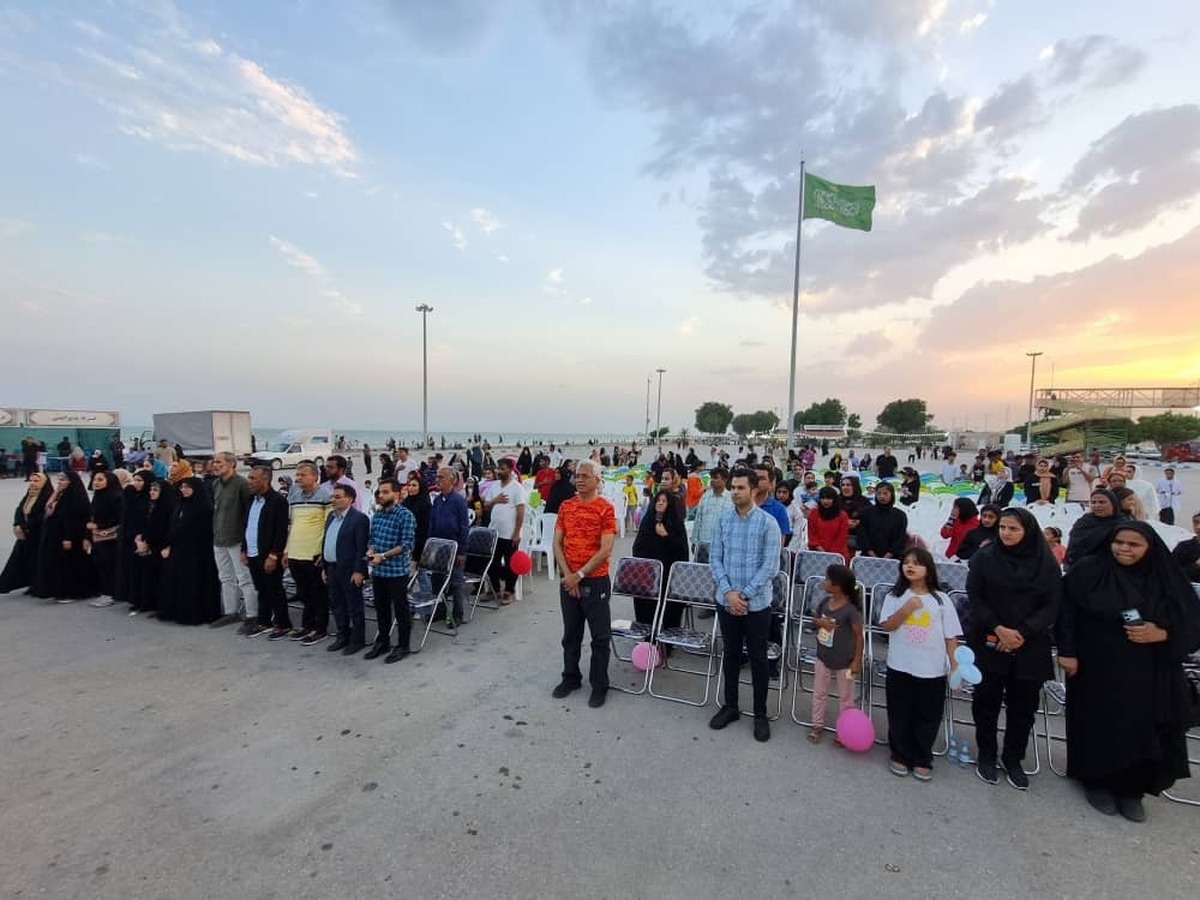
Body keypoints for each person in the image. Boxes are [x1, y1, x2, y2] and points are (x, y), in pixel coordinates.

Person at [1057, 522, 1200, 821]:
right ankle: (1096, 781)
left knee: (1141, 727)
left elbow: (1190, 621)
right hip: (1096, 665)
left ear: (1149, 548)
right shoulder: (1090, 570)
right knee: (1098, 722)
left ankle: (1131, 789)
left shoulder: (1164, 577)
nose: (1124, 549)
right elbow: (1067, 611)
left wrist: (1162, 633)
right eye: (1119, 542)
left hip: (1148, 670)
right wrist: (1067, 652)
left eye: (1133, 545)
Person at [966, 507, 1062, 789]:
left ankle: (1013, 758)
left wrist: (1022, 632)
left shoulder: (1045, 564)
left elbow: (1052, 604)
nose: (1006, 533)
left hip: (1029, 644)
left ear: (1028, 531)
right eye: (1003, 528)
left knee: (1023, 707)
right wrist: (999, 628)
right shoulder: (985, 558)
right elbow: (976, 596)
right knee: (986, 701)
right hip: (990, 638)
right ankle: (986, 754)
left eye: (1013, 529)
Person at [708, 468, 781, 742]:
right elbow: (715, 559)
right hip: (726, 602)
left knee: (759, 659)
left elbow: (770, 567)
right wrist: (729, 594)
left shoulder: (767, 523)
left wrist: (744, 596)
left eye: (740, 488)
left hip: (757, 605)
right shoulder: (723, 520)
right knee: (730, 654)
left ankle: (760, 714)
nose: (735, 492)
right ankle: (730, 706)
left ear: (753, 490)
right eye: (733, 488)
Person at [879, 547, 962, 780]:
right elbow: (887, 626)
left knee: (929, 713)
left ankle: (923, 755)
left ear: (928, 568)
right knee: (899, 711)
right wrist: (906, 609)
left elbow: (951, 636)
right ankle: (900, 753)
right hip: (900, 665)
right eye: (906, 562)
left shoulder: (941, 599)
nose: (910, 566)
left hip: (932, 668)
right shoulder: (894, 597)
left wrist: (954, 665)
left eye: (916, 563)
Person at [551, 459, 617, 708]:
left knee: (600, 637)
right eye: (577, 475)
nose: (579, 479)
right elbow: (557, 543)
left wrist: (578, 575)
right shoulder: (566, 506)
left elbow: (606, 548)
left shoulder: (605, 509)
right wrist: (568, 576)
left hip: (595, 581)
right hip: (568, 581)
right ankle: (570, 678)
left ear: (597, 480)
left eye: (585, 476)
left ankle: (599, 685)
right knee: (571, 634)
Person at [807, 564, 864, 744]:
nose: (824, 582)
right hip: (823, 656)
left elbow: (859, 636)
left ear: (837, 586)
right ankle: (817, 724)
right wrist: (820, 622)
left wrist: (856, 661)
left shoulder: (851, 611)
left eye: (827, 579)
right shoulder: (825, 603)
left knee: (846, 698)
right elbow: (814, 622)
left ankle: (844, 730)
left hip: (845, 661)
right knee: (819, 692)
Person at [365, 479, 417, 663]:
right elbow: (372, 538)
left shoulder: (405, 515)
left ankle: (403, 645)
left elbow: (406, 544)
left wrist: (384, 556)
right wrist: (371, 551)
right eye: (380, 492)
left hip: (396, 572)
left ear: (396, 494)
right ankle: (383, 642)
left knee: (401, 610)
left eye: (385, 492)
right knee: (381, 609)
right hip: (378, 572)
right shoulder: (378, 515)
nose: (381, 495)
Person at [158, 476, 221, 625]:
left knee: (194, 582)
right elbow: (174, 526)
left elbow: (203, 531)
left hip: (197, 552)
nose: (183, 490)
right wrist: (169, 543)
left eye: (187, 487)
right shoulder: (180, 504)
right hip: (179, 550)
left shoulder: (203, 507)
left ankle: (195, 614)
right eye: (182, 487)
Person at [284, 462, 333, 645]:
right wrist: (287, 550)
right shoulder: (294, 495)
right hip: (296, 552)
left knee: (318, 594)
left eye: (302, 475)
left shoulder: (325, 496)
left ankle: (320, 629)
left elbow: (328, 526)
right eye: (297, 475)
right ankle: (307, 626)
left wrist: (322, 551)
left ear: (315, 477)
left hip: (313, 553)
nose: (298, 478)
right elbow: (292, 524)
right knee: (303, 593)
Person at [241, 466, 289, 638]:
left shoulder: (277, 501)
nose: (250, 482)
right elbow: (246, 525)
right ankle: (264, 621)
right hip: (252, 552)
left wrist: (274, 554)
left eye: (253, 478)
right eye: (249, 478)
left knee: (275, 589)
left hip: (269, 554)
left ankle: (283, 624)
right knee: (261, 589)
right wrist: (244, 550)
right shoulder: (251, 499)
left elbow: (281, 530)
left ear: (266, 480)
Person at [631, 489, 689, 630]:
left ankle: (668, 636)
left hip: (669, 574)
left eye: (664, 501)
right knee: (645, 601)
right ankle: (647, 633)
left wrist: (666, 536)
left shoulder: (676, 522)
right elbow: (637, 546)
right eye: (658, 500)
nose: (660, 503)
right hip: (649, 573)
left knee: (669, 604)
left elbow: (682, 549)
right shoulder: (648, 520)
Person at [322, 484, 370, 655]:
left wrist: (359, 570)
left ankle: (357, 639)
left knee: (353, 605)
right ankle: (343, 634)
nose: (333, 500)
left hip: (349, 570)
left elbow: (361, 548)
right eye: (332, 497)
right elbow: (326, 540)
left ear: (349, 499)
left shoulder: (359, 519)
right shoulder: (331, 517)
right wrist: (325, 566)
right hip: (332, 567)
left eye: (338, 497)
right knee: (337, 604)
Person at [36, 471, 98, 602]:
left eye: (63, 480)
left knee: (72, 565)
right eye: (59, 480)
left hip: (72, 536)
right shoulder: (63, 495)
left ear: (71, 482)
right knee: (62, 565)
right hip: (59, 535)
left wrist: (68, 537)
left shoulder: (76, 498)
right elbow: (48, 508)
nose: (60, 483)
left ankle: (74, 592)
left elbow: (75, 521)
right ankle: (62, 591)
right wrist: (56, 492)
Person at [210, 452, 256, 628]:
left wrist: (246, 543)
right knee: (225, 577)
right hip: (219, 538)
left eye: (219, 462)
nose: (215, 465)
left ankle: (252, 614)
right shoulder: (216, 484)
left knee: (244, 578)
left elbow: (248, 514)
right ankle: (231, 611)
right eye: (214, 462)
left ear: (232, 464)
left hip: (236, 539)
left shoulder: (241, 485)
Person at [430, 467, 471, 626]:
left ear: (452, 480)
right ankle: (439, 611)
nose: (437, 480)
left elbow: (464, 527)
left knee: (456, 582)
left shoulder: (459, 501)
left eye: (441, 477)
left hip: (454, 547)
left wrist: (462, 551)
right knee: (437, 580)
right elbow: (432, 523)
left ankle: (457, 615)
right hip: (439, 546)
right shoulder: (438, 500)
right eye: (437, 477)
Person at [0, 473, 53, 595]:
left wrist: (26, 526)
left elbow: (43, 516)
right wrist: (17, 524)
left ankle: (38, 585)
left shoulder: (48, 496)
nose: (32, 483)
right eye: (31, 480)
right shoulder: (29, 495)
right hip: (26, 535)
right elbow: (20, 510)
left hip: (39, 535)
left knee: (38, 561)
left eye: (36, 481)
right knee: (22, 560)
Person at [484, 458, 526, 603]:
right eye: (498, 468)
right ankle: (494, 589)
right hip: (494, 532)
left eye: (502, 468)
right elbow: (486, 506)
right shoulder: (495, 486)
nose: (499, 471)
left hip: (509, 534)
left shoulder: (517, 487)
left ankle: (509, 591)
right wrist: (495, 500)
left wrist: (516, 532)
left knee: (510, 564)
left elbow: (521, 512)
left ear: (510, 469)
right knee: (492, 563)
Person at [130, 477, 172, 616]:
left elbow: (165, 528)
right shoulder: (150, 505)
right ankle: (145, 602)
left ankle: (157, 604)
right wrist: (142, 539)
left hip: (159, 546)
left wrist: (149, 541)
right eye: (151, 489)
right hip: (146, 544)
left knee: (156, 576)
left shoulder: (167, 507)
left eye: (155, 490)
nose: (152, 492)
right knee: (144, 574)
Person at [86, 470, 124, 605]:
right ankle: (103, 590)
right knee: (100, 562)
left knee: (108, 564)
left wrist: (98, 525)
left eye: (100, 480)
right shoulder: (99, 495)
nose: (96, 482)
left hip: (111, 537)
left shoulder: (116, 496)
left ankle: (110, 594)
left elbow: (119, 518)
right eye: (95, 479)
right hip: (97, 536)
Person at [1065, 488, 1127, 567]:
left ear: (1113, 504)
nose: (1097, 505)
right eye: (1093, 502)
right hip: (1080, 567)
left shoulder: (1123, 523)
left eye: (1102, 502)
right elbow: (1073, 548)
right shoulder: (1084, 521)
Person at [859, 482, 908, 559]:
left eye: (885, 493)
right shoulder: (866, 513)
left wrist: (890, 554)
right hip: (868, 557)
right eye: (879, 493)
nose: (882, 496)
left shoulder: (900, 515)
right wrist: (870, 552)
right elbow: (862, 534)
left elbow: (901, 538)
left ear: (891, 495)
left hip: (892, 558)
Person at [807, 486, 851, 563]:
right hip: (817, 554)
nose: (825, 501)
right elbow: (812, 534)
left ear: (834, 499)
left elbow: (841, 538)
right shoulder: (813, 513)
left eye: (828, 498)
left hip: (837, 555)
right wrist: (819, 548)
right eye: (823, 498)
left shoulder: (843, 516)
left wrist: (829, 554)